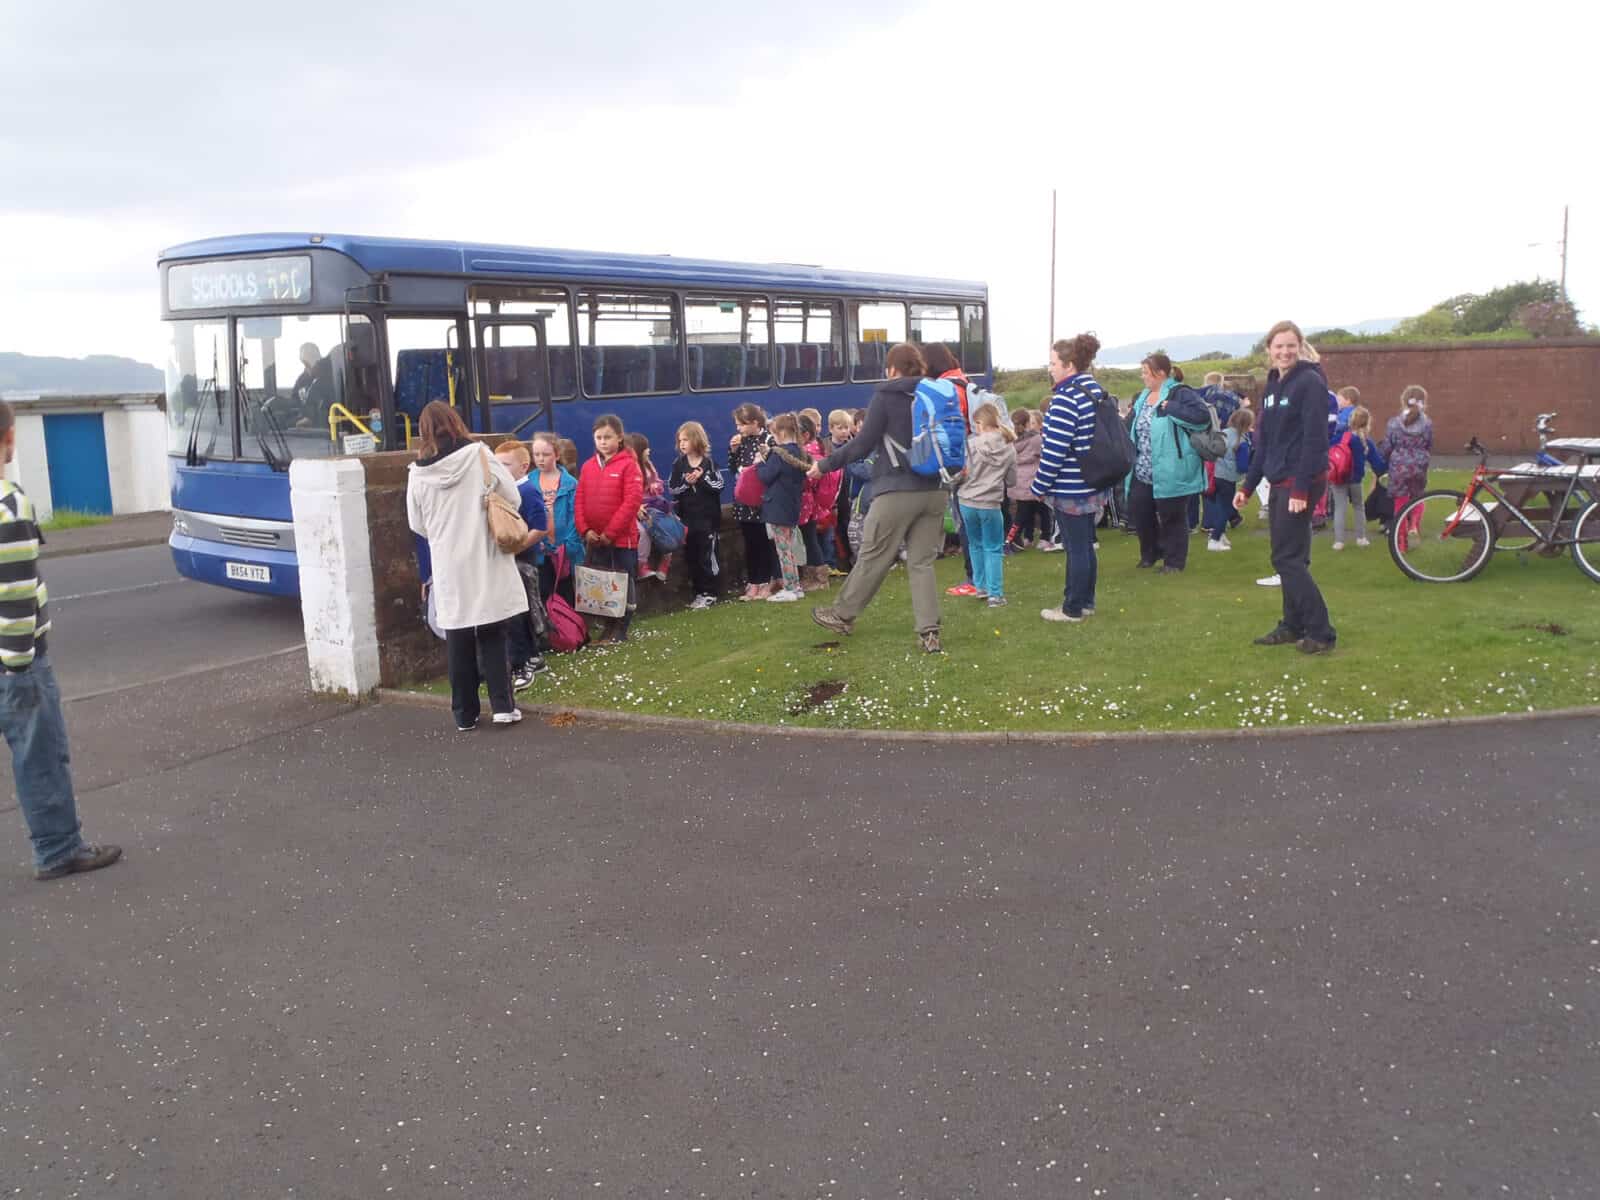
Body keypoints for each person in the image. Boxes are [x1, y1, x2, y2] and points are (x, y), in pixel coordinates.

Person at [0, 401, 122, 881]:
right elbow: (14, 594)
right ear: (8, 437)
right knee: (41, 759)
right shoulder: (9, 505)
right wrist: (18, 668)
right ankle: (58, 850)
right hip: (17, 666)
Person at [807, 343, 949, 653]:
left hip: (897, 490)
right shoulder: (935, 393)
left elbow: (861, 445)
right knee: (921, 563)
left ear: (893, 369)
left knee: (873, 555)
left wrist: (824, 465)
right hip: (936, 489)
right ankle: (929, 632)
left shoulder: (887, 396)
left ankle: (842, 615)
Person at [407, 400, 527, 728]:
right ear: (455, 422)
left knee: (458, 636)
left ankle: (464, 714)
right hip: (484, 553)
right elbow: (513, 498)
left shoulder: (417, 471)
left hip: (448, 561)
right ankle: (502, 706)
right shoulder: (479, 455)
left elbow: (416, 523)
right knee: (492, 628)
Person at [1234, 321, 1337, 654]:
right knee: (1292, 558)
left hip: (1300, 481)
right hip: (1279, 479)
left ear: (1300, 346)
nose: (1285, 352)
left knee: (1287, 559)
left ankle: (1321, 633)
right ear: (1269, 349)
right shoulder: (1274, 383)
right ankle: (1293, 625)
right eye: (1279, 346)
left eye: (1291, 345)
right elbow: (1264, 443)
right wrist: (1247, 487)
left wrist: (1301, 490)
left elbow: (1315, 440)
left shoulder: (1310, 382)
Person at [1034, 334, 1112, 622]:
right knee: (1085, 546)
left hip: (1071, 484)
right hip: (1093, 478)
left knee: (1075, 547)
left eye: (1053, 363)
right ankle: (1086, 601)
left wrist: (1039, 485)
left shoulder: (1066, 397)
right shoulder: (1093, 389)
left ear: (1069, 365)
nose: (1050, 368)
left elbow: (1054, 449)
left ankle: (1072, 608)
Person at [1126, 352, 1211, 573]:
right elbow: (1130, 425)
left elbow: (1202, 418)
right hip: (1142, 468)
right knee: (1140, 513)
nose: (1143, 377)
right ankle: (1150, 554)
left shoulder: (1181, 394)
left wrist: (1171, 408)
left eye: (1146, 373)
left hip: (1172, 468)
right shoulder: (1143, 397)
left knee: (1172, 516)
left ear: (1161, 373)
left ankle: (1174, 562)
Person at [575, 414, 644, 644]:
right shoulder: (587, 467)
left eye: (607, 437)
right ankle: (607, 628)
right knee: (601, 585)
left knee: (623, 583)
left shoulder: (629, 465)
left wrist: (610, 533)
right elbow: (580, 499)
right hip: (595, 538)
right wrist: (585, 530)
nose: (603, 442)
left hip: (621, 539)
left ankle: (621, 629)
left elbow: (631, 502)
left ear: (619, 437)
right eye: (598, 437)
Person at [494, 439, 551, 689]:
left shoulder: (527, 491)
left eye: (505, 464)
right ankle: (533, 657)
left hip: (523, 562)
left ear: (524, 466)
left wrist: (517, 547)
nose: (500, 469)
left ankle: (527, 661)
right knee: (518, 610)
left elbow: (541, 527)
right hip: (511, 561)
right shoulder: (505, 492)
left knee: (522, 612)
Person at [957, 399, 1017, 607]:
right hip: (990, 502)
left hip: (967, 500)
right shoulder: (1009, 448)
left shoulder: (970, 444)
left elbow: (960, 473)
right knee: (993, 547)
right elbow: (1012, 481)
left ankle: (980, 587)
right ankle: (995, 594)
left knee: (975, 545)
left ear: (980, 424)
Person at [668, 421, 725, 609]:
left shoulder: (709, 463)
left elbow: (719, 486)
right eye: (680, 440)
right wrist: (687, 483)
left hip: (708, 519)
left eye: (686, 439)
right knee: (692, 557)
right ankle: (699, 591)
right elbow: (673, 488)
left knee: (708, 556)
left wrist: (702, 479)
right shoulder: (679, 464)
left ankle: (711, 592)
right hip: (687, 519)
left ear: (696, 440)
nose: (682, 443)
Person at [755, 412, 811, 601]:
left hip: (777, 507)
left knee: (783, 550)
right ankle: (795, 586)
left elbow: (766, 477)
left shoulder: (778, 453)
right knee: (790, 548)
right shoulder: (800, 452)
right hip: (792, 505)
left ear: (780, 432)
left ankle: (790, 588)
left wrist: (760, 464)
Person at [729, 404, 779, 600]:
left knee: (764, 543)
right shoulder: (740, 442)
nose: (738, 429)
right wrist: (733, 451)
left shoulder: (769, 440)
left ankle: (766, 581)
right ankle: (753, 582)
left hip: (762, 501)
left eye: (741, 425)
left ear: (754, 423)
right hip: (744, 501)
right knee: (750, 543)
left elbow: (772, 468)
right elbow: (733, 469)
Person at [531, 431, 583, 606]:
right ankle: (549, 631)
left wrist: (568, 545)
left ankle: (571, 631)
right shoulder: (529, 482)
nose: (540, 459)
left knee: (566, 593)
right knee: (544, 593)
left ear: (557, 455)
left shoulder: (570, 483)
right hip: (540, 549)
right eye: (536, 454)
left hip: (565, 550)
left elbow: (575, 516)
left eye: (546, 454)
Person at [1379, 385, 1433, 550]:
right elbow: (1429, 444)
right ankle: (1414, 526)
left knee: (1400, 504)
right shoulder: (1427, 424)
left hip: (1399, 465)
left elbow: (1388, 446)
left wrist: (1384, 461)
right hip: (1419, 464)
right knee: (1418, 498)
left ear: (1403, 400)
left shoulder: (1394, 423)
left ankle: (1401, 542)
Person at [1330, 405, 1386, 550]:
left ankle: (1339, 541)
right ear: (1367, 422)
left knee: (1339, 509)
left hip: (1337, 477)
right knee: (1358, 507)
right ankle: (1361, 538)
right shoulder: (1366, 441)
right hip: (1355, 479)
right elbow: (1378, 465)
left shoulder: (1339, 437)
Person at [625, 432, 673, 583]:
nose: (649, 451)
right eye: (646, 448)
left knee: (670, 528)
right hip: (639, 510)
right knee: (643, 532)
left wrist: (656, 485)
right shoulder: (629, 469)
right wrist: (637, 507)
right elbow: (626, 493)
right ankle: (642, 565)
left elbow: (659, 482)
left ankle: (665, 563)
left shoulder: (649, 465)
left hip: (654, 506)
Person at [1206, 408, 1255, 551]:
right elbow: (1242, 466)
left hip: (1216, 475)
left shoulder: (1223, 434)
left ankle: (1219, 535)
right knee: (1227, 509)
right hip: (1228, 477)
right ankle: (1214, 539)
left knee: (1221, 506)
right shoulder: (1242, 442)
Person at [795, 412, 833, 592]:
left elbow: (810, 478)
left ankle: (819, 578)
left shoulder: (807, 452)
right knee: (809, 539)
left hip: (806, 502)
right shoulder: (817, 448)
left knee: (809, 539)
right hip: (812, 503)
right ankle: (812, 576)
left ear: (805, 435)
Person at [1007, 409, 1043, 552]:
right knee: (1028, 513)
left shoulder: (1012, 441)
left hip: (1018, 482)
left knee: (1023, 512)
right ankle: (1011, 540)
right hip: (1032, 482)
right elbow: (1042, 455)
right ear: (1028, 423)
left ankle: (1024, 538)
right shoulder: (1036, 439)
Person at [826, 409, 856, 571]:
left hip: (849, 492)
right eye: (840, 428)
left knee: (848, 527)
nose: (844, 431)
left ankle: (851, 560)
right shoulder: (826, 446)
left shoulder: (854, 445)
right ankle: (834, 563)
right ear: (831, 428)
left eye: (846, 428)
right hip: (832, 495)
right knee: (832, 531)